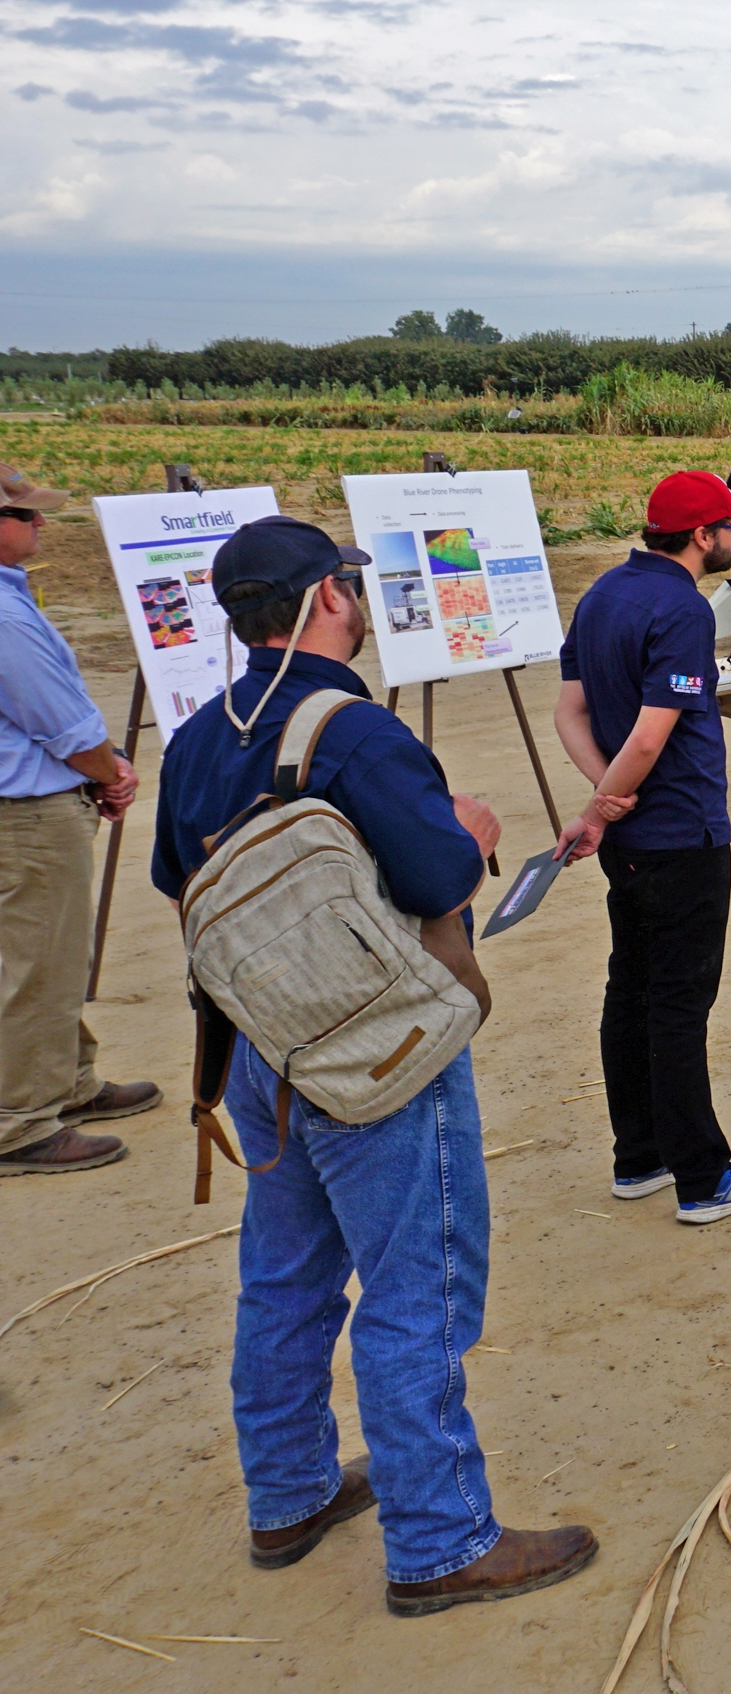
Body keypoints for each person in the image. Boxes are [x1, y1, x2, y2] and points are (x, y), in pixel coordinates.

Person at [154, 516, 594, 1613]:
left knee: (285, 1277)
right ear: (324, 602)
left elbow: (179, 883)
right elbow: (442, 870)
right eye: (348, 584)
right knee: (418, 1292)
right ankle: (443, 1540)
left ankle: (290, 1490)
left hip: (259, 1045)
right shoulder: (350, 730)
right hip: (377, 1054)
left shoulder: (201, 733)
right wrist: (467, 819)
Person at [553, 471, 731, 1224]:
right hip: (680, 831)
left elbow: (571, 711)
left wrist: (605, 798)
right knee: (681, 1003)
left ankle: (641, 1156)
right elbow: (654, 732)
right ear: (701, 535)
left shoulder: (603, 594)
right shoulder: (681, 609)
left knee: (631, 988)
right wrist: (606, 801)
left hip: (632, 835)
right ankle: (703, 1178)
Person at [0, 464, 155, 1176]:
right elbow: (57, 720)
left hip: (32, 804)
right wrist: (111, 769)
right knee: (39, 961)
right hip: (28, 814)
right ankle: (22, 1122)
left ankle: (68, 1081)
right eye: (25, 515)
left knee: (49, 958)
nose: (39, 524)